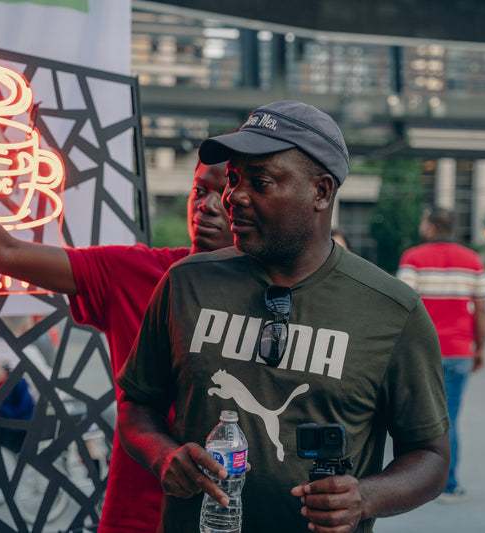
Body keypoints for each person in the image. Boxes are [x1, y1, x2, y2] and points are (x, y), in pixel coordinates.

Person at [115, 100, 450, 533]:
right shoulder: (185, 283)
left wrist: (364, 498)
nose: (234, 195)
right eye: (234, 178)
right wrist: (162, 455)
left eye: (261, 181)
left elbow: (431, 456)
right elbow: (136, 405)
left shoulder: (392, 309)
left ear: (321, 192)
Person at [0, 149, 234, 533]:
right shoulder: (133, 272)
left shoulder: (275, 299)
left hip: (239, 512)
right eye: (199, 190)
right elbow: (4, 251)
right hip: (139, 518)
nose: (207, 205)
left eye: (226, 194)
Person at [397, 207, 485, 503]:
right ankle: (449, 484)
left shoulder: (413, 258)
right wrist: (480, 348)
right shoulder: (473, 261)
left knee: (415, 415)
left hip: (422, 352)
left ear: (432, 227)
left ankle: (411, 478)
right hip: (460, 352)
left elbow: (402, 305)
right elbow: (482, 311)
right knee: (449, 418)